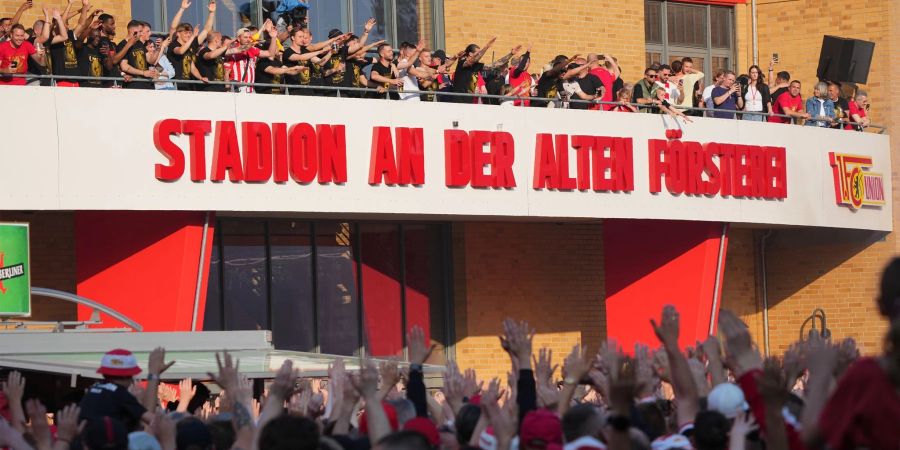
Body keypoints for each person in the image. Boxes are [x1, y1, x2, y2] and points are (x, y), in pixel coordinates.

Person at [79, 348, 173, 431]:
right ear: (128, 375)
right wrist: (154, 373)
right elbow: (150, 420)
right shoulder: (119, 393)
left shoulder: (93, 390)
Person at [167, 0, 217, 91]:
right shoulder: (173, 44)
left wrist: (211, 13)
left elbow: (206, 30)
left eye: (190, 33)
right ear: (178, 34)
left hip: (189, 86)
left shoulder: (191, 44)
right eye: (186, 33)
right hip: (176, 86)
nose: (189, 35)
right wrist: (182, 9)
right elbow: (181, 50)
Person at [451, 37, 497, 103]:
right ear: (470, 54)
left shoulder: (475, 65)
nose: (479, 54)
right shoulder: (462, 62)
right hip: (459, 100)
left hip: (469, 101)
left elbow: (495, 65)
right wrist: (486, 47)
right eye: (477, 53)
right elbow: (473, 60)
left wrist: (511, 54)